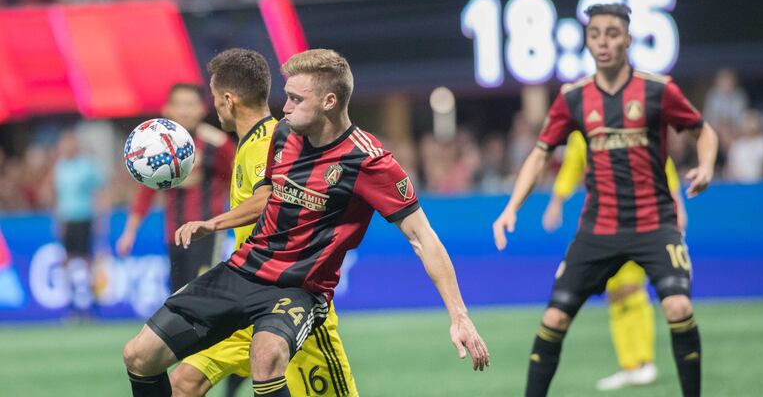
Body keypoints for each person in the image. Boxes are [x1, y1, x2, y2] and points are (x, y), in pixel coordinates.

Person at [122, 49, 489, 397]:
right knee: (139, 355)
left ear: (329, 102)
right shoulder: (283, 135)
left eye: (297, 99)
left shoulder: (369, 162)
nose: (284, 107)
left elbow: (423, 238)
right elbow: (267, 194)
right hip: (244, 270)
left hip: (299, 288)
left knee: (265, 358)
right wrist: (214, 224)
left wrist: (459, 315)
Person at [492, 4, 718, 397]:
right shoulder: (573, 97)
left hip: (654, 223)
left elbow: (704, 131)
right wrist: (512, 207)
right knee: (553, 319)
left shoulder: (658, 89)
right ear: (586, 40)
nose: (603, 42)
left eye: (612, 33)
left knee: (679, 309)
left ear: (628, 39)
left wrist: (707, 166)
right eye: (595, 34)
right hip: (599, 227)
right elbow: (541, 153)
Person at [167, 48, 359, 397]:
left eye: (213, 97)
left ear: (229, 99)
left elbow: (269, 197)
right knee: (183, 382)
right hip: (248, 299)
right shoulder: (246, 142)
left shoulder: (268, 141)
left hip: (287, 302)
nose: (213, 106)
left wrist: (212, 223)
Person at [541, 130, 688, 391]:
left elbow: (660, 159)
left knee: (632, 289)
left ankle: (644, 361)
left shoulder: (631, 127)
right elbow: (572, 165)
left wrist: (676, 203)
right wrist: (557, 201)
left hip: (641, 218)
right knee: (616, 294)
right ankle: (630, 364)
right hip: (604, 224)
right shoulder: (582, 131)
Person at [116, 83, 236, 293]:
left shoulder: (216, 144)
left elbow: (237, 179)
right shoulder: (157, 147)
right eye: (179, 104)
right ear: (167, 110)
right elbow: (147, 190)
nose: (184, 111)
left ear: (201, 109)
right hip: (174, 234)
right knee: (178, 296)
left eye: (190, 104)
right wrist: (130, 232)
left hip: (206, 232)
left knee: (203, 294)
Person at [53, 128, 106, 317]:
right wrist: (58, 220)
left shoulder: (87, 166)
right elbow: (59, 197)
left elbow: (99, 193)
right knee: (67, 260)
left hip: (85, 217)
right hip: (67, 219)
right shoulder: (60, 167)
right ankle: (71, 302)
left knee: (87, 260)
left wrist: (101, 218)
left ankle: (91, 303)